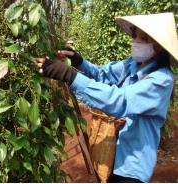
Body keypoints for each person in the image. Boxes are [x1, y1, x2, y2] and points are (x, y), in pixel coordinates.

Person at [34, 12, 178, 183]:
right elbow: (104, 74)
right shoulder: (132, 64)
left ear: (159, 46)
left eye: (143, 39)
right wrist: (78, 61)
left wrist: (70, 75)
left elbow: (119, 100)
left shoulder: (162, 79)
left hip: (132, 166)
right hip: (113, 155)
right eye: (135, 37)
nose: (136, 43)